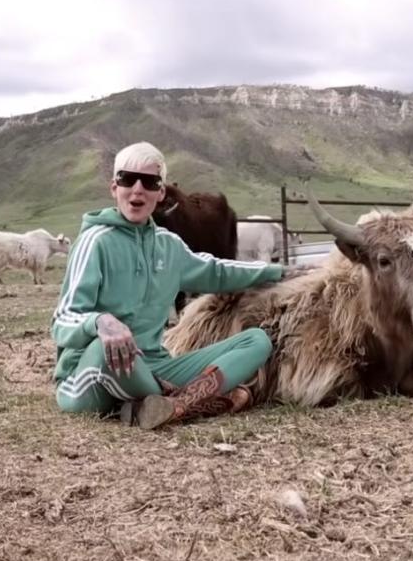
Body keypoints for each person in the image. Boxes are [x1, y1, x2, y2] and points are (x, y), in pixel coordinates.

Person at [51, 141, 304, 429]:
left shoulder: (169, 246)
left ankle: (171, 406)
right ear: (114, 188)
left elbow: (217, 271)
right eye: (127, 179)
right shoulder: (95, 242)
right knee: (105, 349)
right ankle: (189, 401)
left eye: (149, 182)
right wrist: (100, 322)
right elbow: (62, 322)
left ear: (161, 193)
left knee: (257, 341)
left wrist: (279, 272)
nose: (137, 189)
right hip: (90, 375)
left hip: (155, 367)